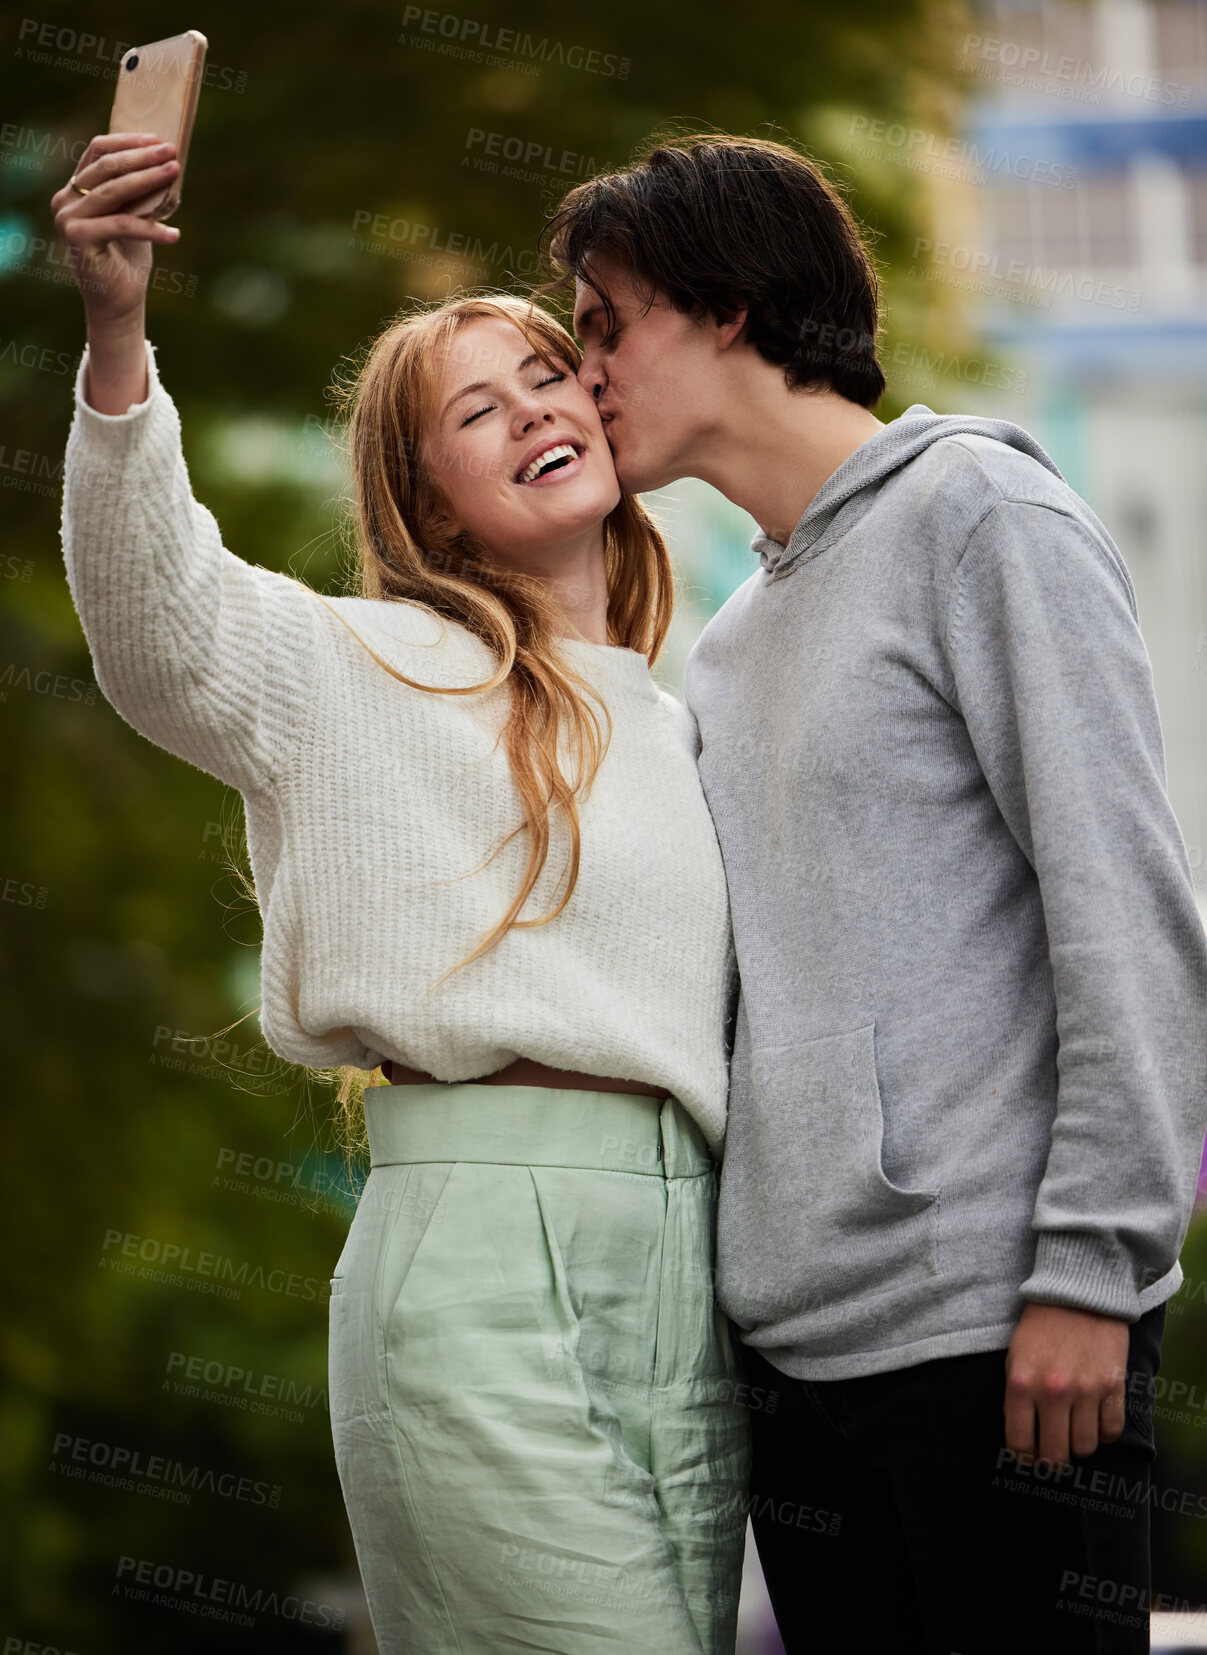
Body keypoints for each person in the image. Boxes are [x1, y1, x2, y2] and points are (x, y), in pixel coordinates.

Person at [51, 131, 751, 1655]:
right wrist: (118, 336)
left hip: (691, 1263)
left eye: (549, 377)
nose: (535, 412)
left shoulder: (679, 716)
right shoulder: (353, 667)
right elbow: (153, 618)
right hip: (482, 1248)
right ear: (429, 511)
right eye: (476, 413)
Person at [541, 130, 1207, 1652]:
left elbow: (1128, 911)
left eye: (604, 322)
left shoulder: (983, 517)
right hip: (796, 1369)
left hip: (1005, 1335)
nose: (584, 375)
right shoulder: (727, 641)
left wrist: (1092, 1275)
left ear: (726, 304)